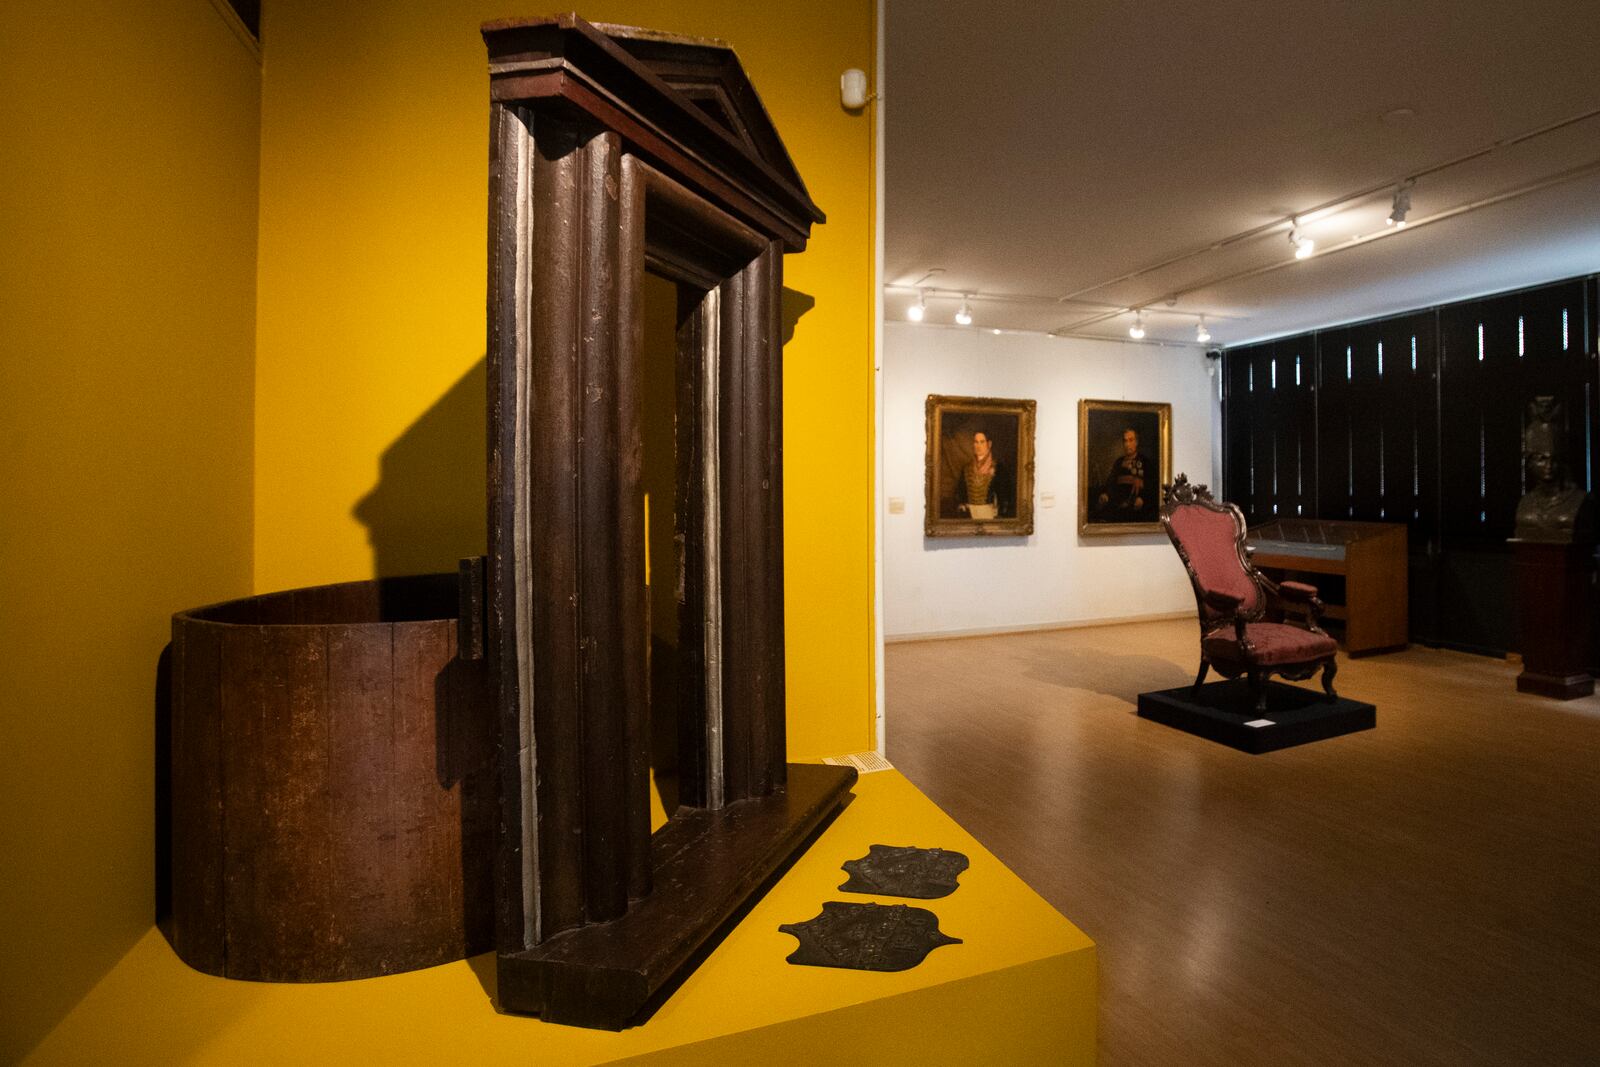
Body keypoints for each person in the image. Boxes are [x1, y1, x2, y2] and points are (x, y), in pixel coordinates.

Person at [1095, 427, 1156, 522]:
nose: (1127, 444)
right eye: (1125, 441)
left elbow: (1152, 488)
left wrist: (1143, 499)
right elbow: (1111, 484)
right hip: (1118, 507)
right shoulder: (1118, 462)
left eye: (1131, 440)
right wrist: (1106, 495)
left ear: (1136, 442)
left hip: (1138, 510)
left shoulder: (1146, 462)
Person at [953, 429, 1014, 519]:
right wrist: (961, 504)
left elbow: (1005, 496)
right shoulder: (966, 468)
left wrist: (1001, 513)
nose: (978, 446)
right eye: (976, 442)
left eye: (982, 442)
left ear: (989, 444)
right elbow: (960, 492)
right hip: (970, 515)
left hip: (990, 514)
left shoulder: (999, 468)